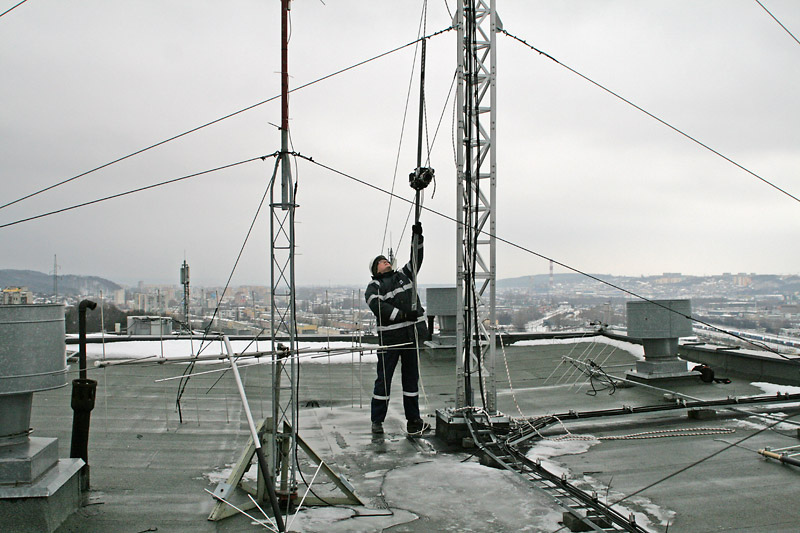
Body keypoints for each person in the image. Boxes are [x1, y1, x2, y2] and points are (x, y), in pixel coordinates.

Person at [365, 222, 429, 435]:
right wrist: (403, 315)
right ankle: (377, 421)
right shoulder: (374, 287)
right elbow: (378, 307)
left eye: (386, 260)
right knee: (384, 380)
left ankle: (414, 420)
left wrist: (417, 238)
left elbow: (416, 259)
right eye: (381, 262)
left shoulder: (404, 275)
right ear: (376, 270)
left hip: (411, 337)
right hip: (391, 340)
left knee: (411, 381)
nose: (385, 262)